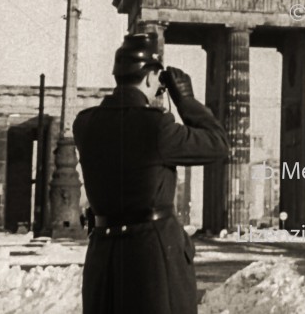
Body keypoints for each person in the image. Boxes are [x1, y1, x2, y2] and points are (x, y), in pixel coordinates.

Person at [73, 32, 229, 314]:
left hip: (103, 256)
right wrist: (187, 101)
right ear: (148, 78)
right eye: (157, 80)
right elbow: (218, 145)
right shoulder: (158, 127)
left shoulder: (84, 124)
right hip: (152, 258)